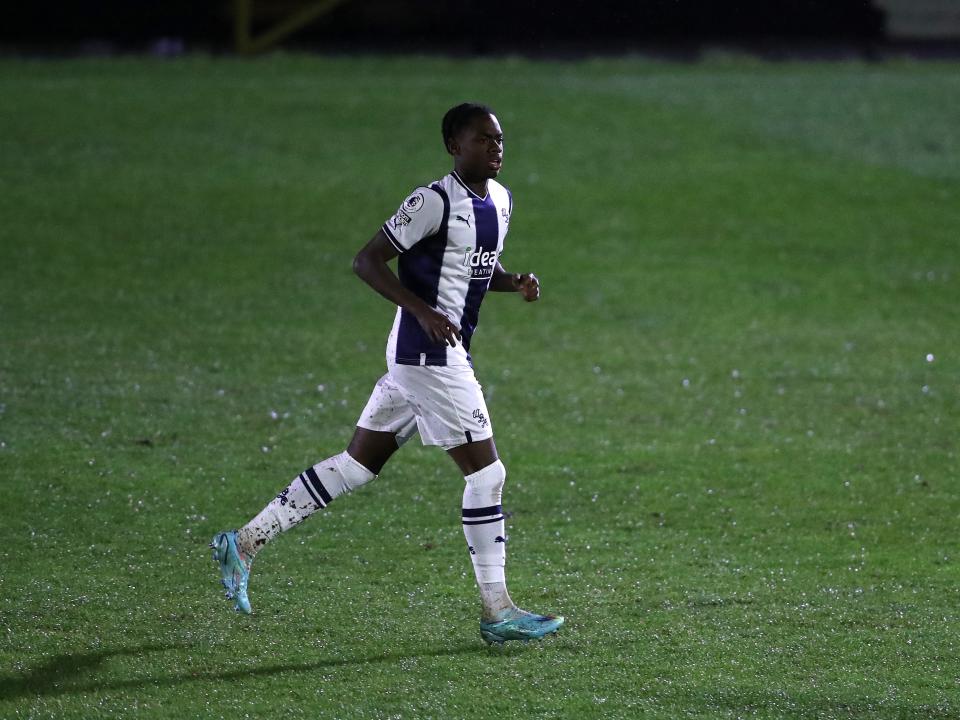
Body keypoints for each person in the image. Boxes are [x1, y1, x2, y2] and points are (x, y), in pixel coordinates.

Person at [211, 102, 564, 645]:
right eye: (483, 140)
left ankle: (245, 542)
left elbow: (472, 267)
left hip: (432, 358)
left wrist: (512, 280)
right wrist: (420, 310)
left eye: (500, 140)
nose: (496, 148)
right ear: (454, 146)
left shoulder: (501, 201)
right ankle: (498, 611)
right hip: (428, 357)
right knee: (486, 476)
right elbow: (367, 261)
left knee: (357, 465)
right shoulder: (431, 200)